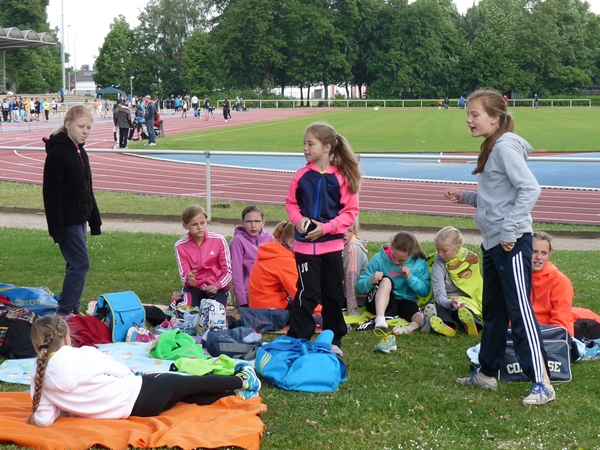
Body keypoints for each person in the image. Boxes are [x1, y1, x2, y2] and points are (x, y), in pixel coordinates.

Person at [445, 88, 553, 406]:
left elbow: (530, 188)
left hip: (511, 243)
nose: (469, 119)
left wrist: (509, 230)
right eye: (468, 114)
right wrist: (466, 197)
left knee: (519, 311)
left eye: (475, 114)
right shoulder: (493, 146)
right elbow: (498, 199)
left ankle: (543, 382)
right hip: (494, 243)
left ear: (495, 118)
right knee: (494, 311)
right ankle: (486, 373)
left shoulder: (504, 147)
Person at [26, 315, 260, 427]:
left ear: (37, 346)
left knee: (184, 396)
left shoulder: (38, 377)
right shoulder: (84, 354)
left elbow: (43, 419)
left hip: (138, 410)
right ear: (67, 337)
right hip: (141, 392)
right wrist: (137, 377)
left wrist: (65, 408)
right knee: (189, 383)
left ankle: (236, 395)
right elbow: (120, 371)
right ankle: (242, 381)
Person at [285, 122, 362, 357]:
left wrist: (326, 228)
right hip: (305, 248)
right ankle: (298, 338)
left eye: (311, 144)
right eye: (304, 144)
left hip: (332, 247)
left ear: (327, 147)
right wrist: (298, 219)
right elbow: (291, 204)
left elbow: (350, 212)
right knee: (306, 293)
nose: (305, 148)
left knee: (332, 294)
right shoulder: (301, 176)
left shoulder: (341, 177)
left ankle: (333, 338)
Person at [43, 105, 102, 317]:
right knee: (80, 263)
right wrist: (56, 228)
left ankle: (73, 306)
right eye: (81, 126)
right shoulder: (58, 153)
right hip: (66, 220)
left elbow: (87, 189)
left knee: (75, 264)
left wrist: (94, 220)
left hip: (80, 218)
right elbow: (52, 194)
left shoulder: (80, 151)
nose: (85, 131)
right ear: (68, 124)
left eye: (88, 127)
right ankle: (66, 311)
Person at [356, 231, 431, 342]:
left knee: (417, 314)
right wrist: (371, 280)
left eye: (402, 260)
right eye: (393, 256)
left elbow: (425, 291)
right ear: (391, 248)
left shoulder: (419, 263)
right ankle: (380, 319)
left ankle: (426, 324)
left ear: (411, 254)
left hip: (404, 301)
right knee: (386, 281)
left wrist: (410, 278)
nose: (396, 262)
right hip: (378, 302)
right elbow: (359, 287)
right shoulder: (378, 259)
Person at [425, 226, 483, 337]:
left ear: (458, 247)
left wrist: (459, 303)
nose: (440, 254)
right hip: (445, 299)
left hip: (466, 300)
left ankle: (472, 325)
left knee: (465, 310)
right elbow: (439, 293)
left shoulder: (470, 259)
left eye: (444, 250)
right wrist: (450, 303)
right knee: (437, 308)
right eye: (438, 249)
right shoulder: (438, 264)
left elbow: (476, 287)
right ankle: (446, 326)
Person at [175, 205, 232, 308]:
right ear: (185, 226)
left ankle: (224, 297)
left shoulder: (219, 240)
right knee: (188, 310)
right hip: (194, 288)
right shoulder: (180, 246)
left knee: (215, 311)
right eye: (194, 224)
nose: (199, 228)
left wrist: (217, 286)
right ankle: (178, 303)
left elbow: (228, 272)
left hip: (217, 287)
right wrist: (189, 280)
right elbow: (184, 276)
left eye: (202, 223)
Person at [229, 205, 273, 308]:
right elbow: (237, 274)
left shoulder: (269, 239)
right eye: (249, 221)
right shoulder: (237, 241)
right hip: (248, 290)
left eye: (257, 221)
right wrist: (242, 302)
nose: (253, 225)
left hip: (268, 289)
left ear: (263, 223)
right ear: (242, 223)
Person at [531, 231, 574, 336]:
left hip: (549, 336)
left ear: (549, 254)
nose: (539, 257)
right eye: (534, 251)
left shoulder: (559, 281)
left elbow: (560, 323)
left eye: (544, 253)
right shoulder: (516, 276)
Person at [248, 220, 297, 310]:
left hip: (257, 305)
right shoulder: (284, 260)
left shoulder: (274, 251)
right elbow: (298, 293)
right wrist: (321, 311)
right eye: (303, 243)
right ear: (290, 243)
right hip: (271, 309)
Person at [343, 222, 368, 316]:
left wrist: (352, 309)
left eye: (349, 231)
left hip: (357, 299)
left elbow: (351, 279)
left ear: (354, 232)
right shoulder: (338, 246)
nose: (345, 234)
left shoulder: (352, 249)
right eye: (342, 229)